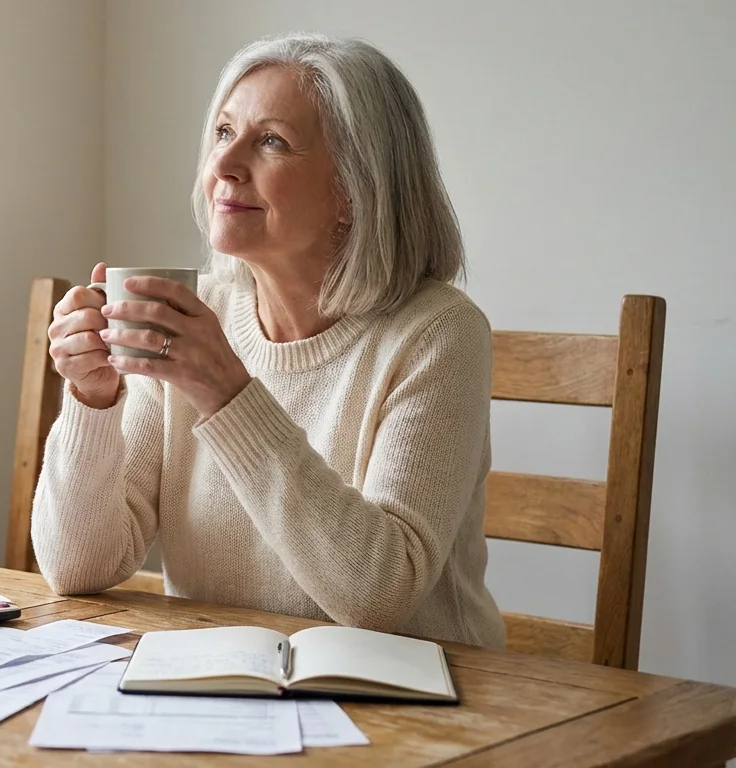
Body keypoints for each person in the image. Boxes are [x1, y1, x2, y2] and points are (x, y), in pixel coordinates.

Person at [32, 33, 505, 648]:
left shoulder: (440, 333)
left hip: (416, 699)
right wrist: (92, 401)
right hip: (223, 686)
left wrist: (228, 393)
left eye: (272, 141)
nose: (223, 166)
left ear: (354, 190)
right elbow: (77, 570)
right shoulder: (196, 317)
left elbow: (378, 594)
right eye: (224, 133)